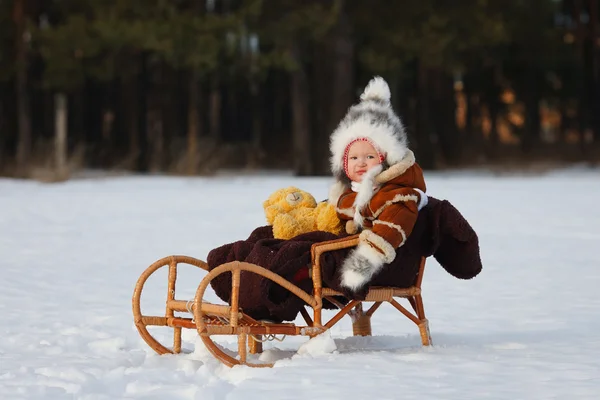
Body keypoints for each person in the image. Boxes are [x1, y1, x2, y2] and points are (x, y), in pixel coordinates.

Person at [327, 76, 428, 295]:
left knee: (302, 257)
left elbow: (390, 229)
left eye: (369, 156)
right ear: (343, 164)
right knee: (280, 244)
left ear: (384, 158)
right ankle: (244, 275)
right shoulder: (347, 192)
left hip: (380, 266)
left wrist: (359, 268)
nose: (361, 162)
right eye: (353, 158)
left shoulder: (397, 194)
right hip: (339, 253)